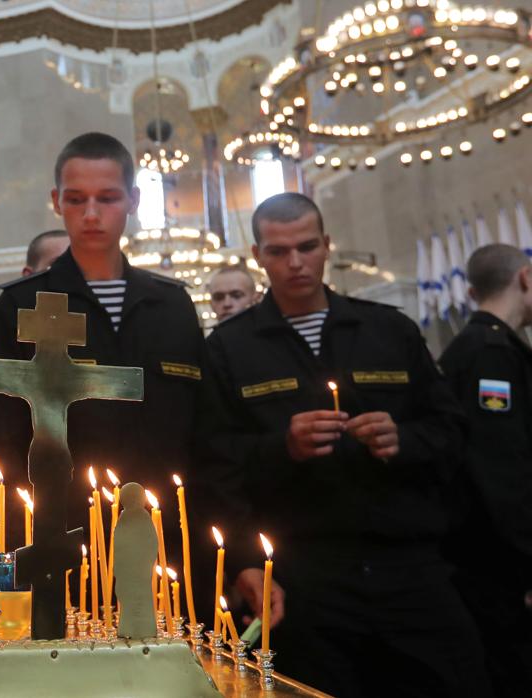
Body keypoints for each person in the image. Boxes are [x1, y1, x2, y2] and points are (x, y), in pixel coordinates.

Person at [199, 192, 488, 696]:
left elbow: (452, 430)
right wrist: (281, 447)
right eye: (277, 251)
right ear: (257, 256)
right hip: (306, 569)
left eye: (307, 247)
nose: (295, 263)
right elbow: (214, 461)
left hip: (407, 562)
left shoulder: (388, 329)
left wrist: (405, 438)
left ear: (327, 245)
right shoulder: (229, 348)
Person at [0, 132, 204, 526]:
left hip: (166, 527)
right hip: (60, 527)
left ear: (133, 201)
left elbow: (203, 427)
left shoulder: (172, 305)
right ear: (56, 202)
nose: (91, 214)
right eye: (76, 199)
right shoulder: (21, 305)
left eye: (108, 197)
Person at [439, 243, 532, 697]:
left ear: (472, 290)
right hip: (497, 567)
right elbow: (503, 469)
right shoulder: (490, 352)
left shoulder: (479, 345)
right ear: (526, 278)